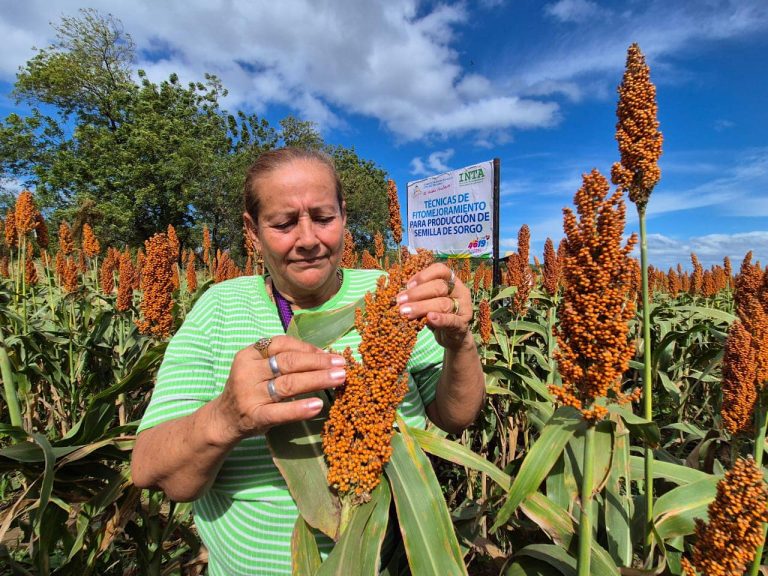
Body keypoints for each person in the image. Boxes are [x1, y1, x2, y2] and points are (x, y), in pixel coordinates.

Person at [131, 147, 485, 575]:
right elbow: (150, 469)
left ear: (344, 216)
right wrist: (226, 418)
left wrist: (459, 341)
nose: (308, 239)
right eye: (283, 223)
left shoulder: (393, 295)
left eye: (323, 218)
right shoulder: (219, 308)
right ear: (252, 229)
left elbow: (454, 416)